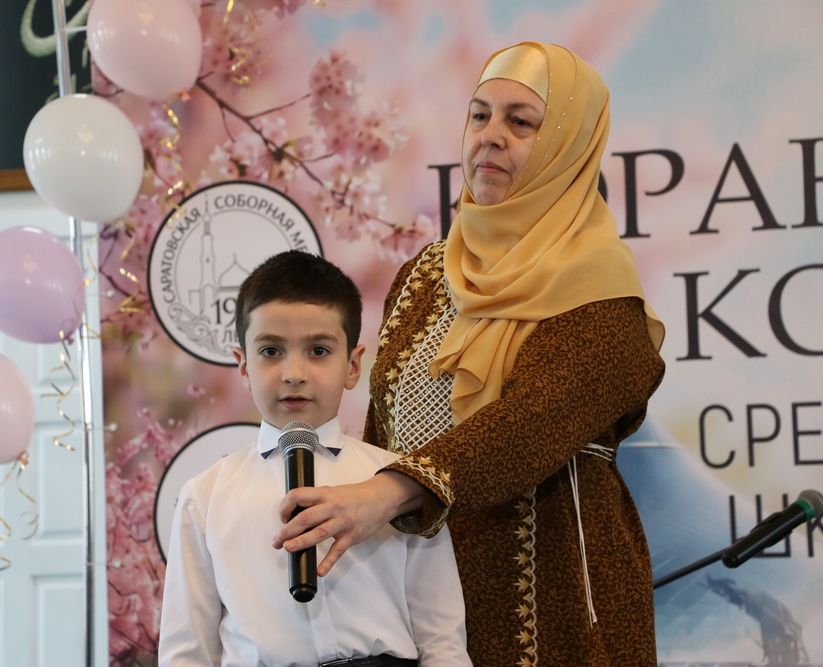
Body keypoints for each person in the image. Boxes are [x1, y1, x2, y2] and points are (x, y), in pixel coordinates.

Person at [272, 42, 667, 666]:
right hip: (422, 596)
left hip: (555, 605)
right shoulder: (425, 274)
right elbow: (383, 435)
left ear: (568, 146)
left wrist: (391, 491)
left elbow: (534, 422)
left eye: (521, 122)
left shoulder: (601, 289)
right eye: (479, 115)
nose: (490, 136)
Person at [158, 250, 472, 666]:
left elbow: (442, 642)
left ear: (353, 365)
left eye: (318, 350)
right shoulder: (205, 496)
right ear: (244, 366)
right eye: (271, 351)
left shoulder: (397, 482)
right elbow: (187, 653)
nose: (294, 373)